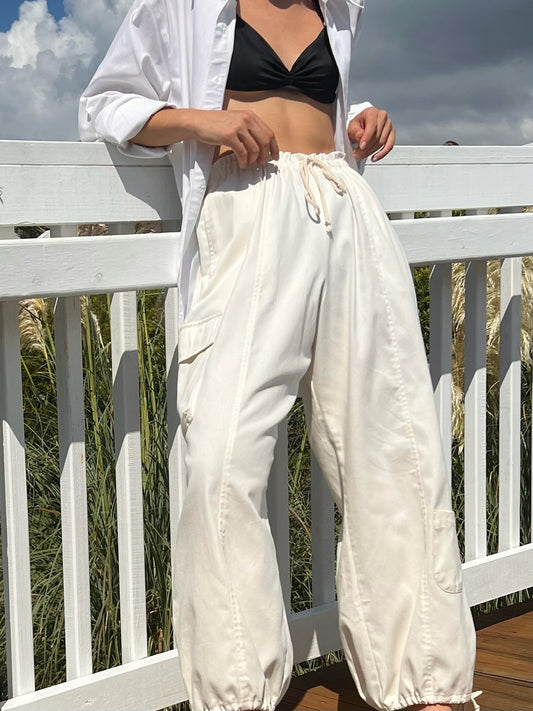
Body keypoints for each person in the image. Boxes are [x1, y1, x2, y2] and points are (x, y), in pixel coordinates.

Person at [79, 1, 482, 710]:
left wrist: (362, 118)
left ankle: (427, 682)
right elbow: (105, 103)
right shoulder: (183, 5)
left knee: (395, 449)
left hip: (346, 207)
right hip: (247, 212)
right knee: (221, 456)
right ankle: (238, 694)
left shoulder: (338, 7)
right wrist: (201, 122)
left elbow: (316, 110)